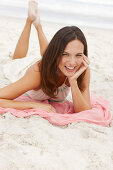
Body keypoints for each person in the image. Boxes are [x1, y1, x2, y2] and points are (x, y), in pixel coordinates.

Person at [0, 0, 91, 113]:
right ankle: (29, 21)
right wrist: (35, 105)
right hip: (23, 68)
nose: (73, 62)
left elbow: (84, 111)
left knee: (54, 58)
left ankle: (38, 26)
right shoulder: (37, 74)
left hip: (53, 62)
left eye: (78, 55)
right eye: (65, 54)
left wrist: (73, 82)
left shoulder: (82, 69)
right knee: (17, 60)